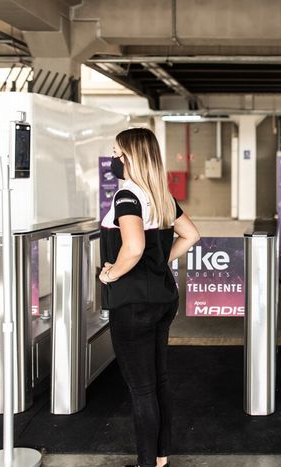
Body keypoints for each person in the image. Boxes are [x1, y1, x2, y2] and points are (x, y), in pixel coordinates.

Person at [99, 128, 200, 467]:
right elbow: (191, 234)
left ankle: (146, 463)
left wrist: (111, 273)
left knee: (141, 389)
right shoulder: (161, 196)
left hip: (132, 304)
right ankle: (159, 457)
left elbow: (135, 246)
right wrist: (161, 261)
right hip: (162, 299)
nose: (113, 159)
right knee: (158, 382)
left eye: (116, 152)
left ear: (129, 157)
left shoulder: (126, 197)